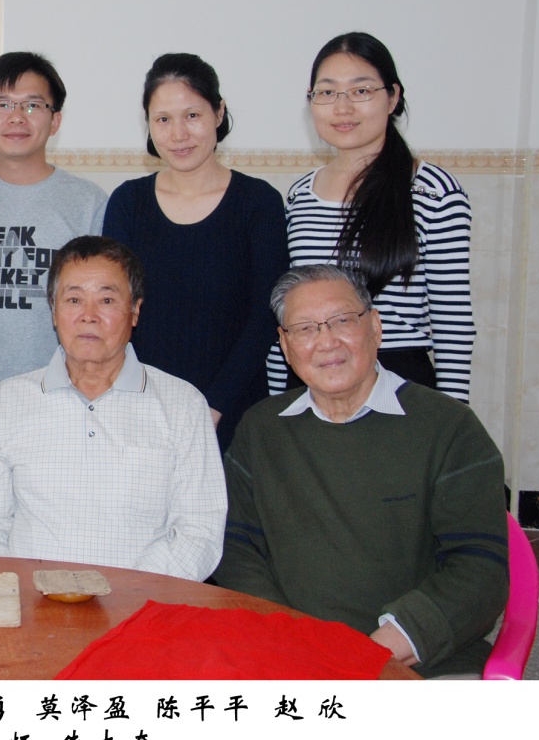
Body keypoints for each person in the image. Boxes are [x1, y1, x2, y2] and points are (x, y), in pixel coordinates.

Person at [216, 265, 507, 677]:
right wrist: (287, 634)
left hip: (418, 660)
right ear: (284, 344)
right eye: (305, 328)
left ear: (375, 326)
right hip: (288, 652)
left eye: (342, 321)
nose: (326, 342)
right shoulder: (261, 428)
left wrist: (387, 644)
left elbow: (481, 564)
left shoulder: (449, 427)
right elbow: (237, 546)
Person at [0, 236, 225, 579]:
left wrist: (129, 592)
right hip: (30, 599)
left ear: (135, 311)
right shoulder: (7, 401)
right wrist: (30, 591)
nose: (88, 316)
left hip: (144, 601)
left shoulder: (182, 405)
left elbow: (200, 533)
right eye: (74, 300)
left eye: (106, 300)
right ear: (53, 310)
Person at [266, 32, 475, 400]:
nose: (342, 107)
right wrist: (275, 403)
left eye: (361, 91)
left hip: (398, 383)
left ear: (392, 97)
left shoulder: (433, 192)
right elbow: (287, 312)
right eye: (327, 92)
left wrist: (454, 418)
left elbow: (453, 324)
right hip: (309, 381)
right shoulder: (300, 195)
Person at [104, 53, 287, 451]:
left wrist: (213, 407)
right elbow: (114, 308)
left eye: (192, 115)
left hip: (236, 413)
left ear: (218, 113)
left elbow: (266, 315)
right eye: (163, 119)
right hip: (142, 413)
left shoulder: (259, 203)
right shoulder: (128, 202)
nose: (178, 134)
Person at [0, 52, 107, 476]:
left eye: (33, 105)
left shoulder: (89, 203)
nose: (17, 116)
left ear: (55, 120)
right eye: (2, 104)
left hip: (61, 397)